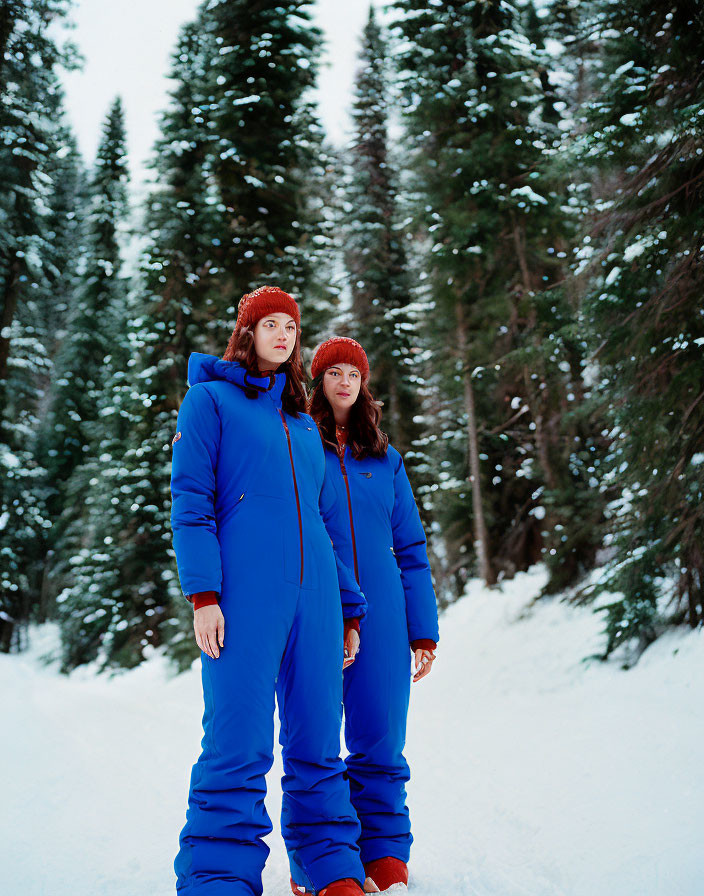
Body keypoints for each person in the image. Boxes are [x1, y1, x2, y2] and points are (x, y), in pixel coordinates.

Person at [170, 288, 369, 896]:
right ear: (247, 333)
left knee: (316, 738)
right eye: (270, 325)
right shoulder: (209, 401)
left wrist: (349, 611)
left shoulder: (303, 424)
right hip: (243, 600)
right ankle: (219, 877)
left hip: (316, 601)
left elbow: (328, 525)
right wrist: (204, 596)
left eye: (291, 326)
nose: (282, 335)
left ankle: (328, 866)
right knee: (237, 739)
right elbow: (191, 503)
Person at [288, 337, 440, 896]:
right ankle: (314, 861)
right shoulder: (302, 445)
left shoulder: (386, 458)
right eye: (334, 373)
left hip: (386, 616)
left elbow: (413, 548)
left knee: (380, 736)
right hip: (319, 606)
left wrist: (422, 629)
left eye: (354, 373)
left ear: (364, 383)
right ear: (320, 382)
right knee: (316, 737)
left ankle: (383, 850)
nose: (345, 382)